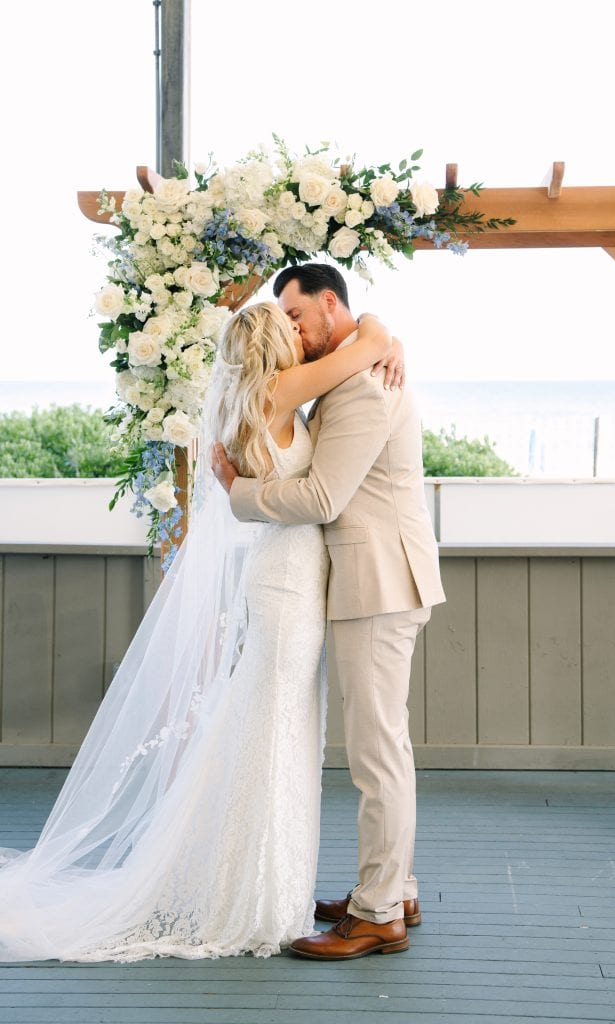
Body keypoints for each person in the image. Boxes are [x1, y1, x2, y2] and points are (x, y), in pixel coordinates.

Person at [0, 301, 400, 963]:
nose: (305, 337)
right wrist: (382, 330)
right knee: (273, 731)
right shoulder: (278, 391)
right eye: (294, 328)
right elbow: (362, 350)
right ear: (276, 346)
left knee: (273, 728)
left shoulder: (248, 399)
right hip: (287, 580)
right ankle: (250, 897)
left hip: (284, 572)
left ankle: (256, 882)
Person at [211, 263, 446, 961]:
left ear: (329, 303)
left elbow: (321, 501)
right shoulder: (349, 368)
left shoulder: (364, 389)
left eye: (297, 314)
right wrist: (378, 334)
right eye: (281, 319)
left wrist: (240, 496)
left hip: (378, 582)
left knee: (376, 755)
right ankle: (391, 887)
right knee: (383, 748)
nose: (293, 328)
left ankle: (377, 913)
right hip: (365, 578)